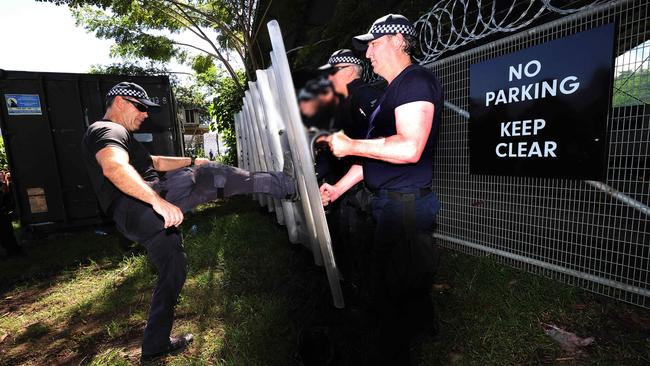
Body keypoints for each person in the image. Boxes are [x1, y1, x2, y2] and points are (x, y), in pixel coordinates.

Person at [81, 82, 296, 363]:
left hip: (132, 218)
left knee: (174, 270)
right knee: (210, 178)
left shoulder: (123, 136)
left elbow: (155, 162)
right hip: (143, 203)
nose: (146, 114)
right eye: (142, 107)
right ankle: (286, 184)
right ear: (120, 102)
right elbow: (114, 167)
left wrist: (193, 159)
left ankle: (154, 346)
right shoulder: (107, 129)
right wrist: (157, 201)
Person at [319, 14, 443, 363]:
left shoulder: (415, 81)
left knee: (389, 297)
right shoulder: (393, 91)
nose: (368, 54)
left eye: (373, 43)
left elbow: (408, 148)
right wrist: (337, 188)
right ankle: (422, 327)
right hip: (391, 203)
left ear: (396, 41)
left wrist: (351, 145)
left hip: (405, 207)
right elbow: (375, 157)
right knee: (404, 285)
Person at [0, 170, 23, 258]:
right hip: (2, 214)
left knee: (7, 234)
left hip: (3, 214)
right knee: (6, 234)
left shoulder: (2, 186)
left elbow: (6, 200)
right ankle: (11, 251)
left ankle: (12, 251)